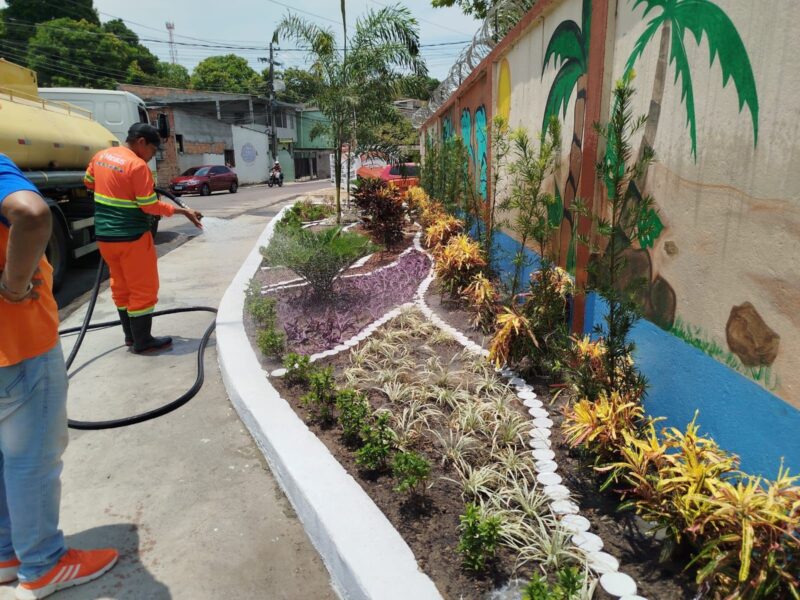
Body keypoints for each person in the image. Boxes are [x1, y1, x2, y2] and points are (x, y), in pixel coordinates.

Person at [0, 154, 118, 599]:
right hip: (17, 343)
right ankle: (43, 564)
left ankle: (7, 554)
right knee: (31, 457)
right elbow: (32, 214)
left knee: (1, 455)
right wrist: (13, 288)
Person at [84, 123, 203, 353]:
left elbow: (88, 181)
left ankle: (130, 337)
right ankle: (143, 341)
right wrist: (181, 211)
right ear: (140, 142)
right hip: (131, 237)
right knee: (143, 288)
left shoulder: (101, 156)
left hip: (105, 237)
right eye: (153, 149)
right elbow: (148, 206)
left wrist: (114, 188)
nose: (151, 156)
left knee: (120, 286)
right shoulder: (136, 166)